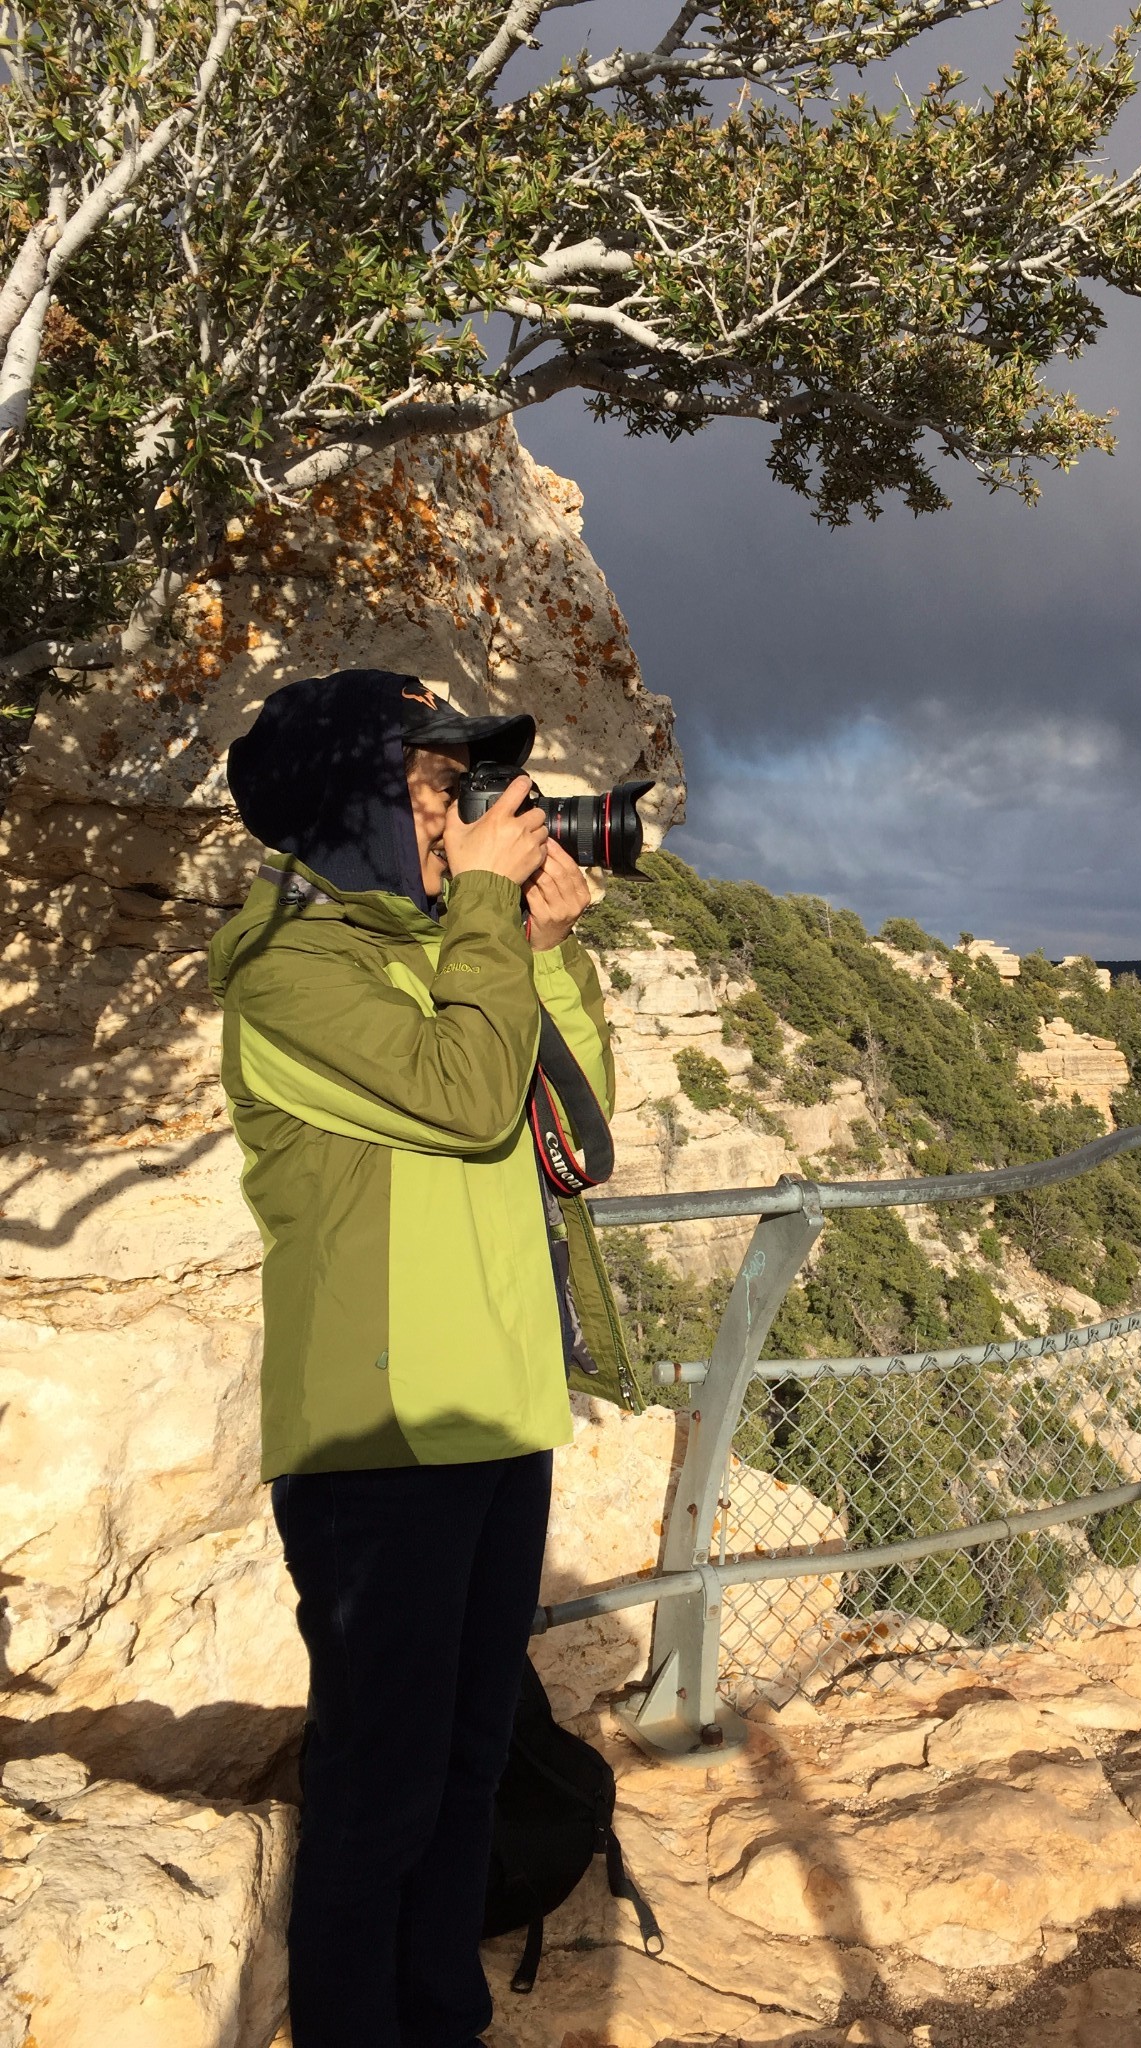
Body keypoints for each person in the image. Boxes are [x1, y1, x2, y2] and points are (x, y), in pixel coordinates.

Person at [209, 668, 632, 2048]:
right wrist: (482, 920)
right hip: (380, 1438)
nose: (466, 813)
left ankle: (441, 2016)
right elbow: (461, 1101)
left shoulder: (447, 943)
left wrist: (548, 949)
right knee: (378, 1780)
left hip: (497, 1413)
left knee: (466, 1761)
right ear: (354, 805)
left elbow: (576, 1141)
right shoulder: (293, 970)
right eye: (438, 786)